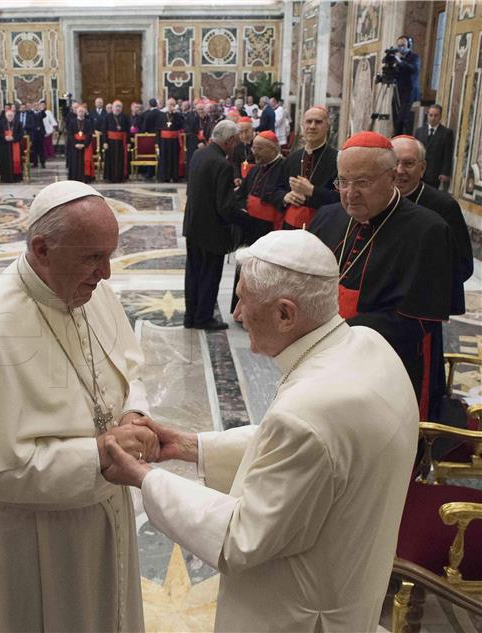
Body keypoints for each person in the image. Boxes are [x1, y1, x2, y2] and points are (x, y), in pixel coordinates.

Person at [100, 229, 419, 633]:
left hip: (296, 615)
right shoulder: (368, 345)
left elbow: (240, 540)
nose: (235, 313)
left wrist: (143, 478)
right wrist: (189, 446)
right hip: (352, 586)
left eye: (243, 298)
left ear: (286, 313)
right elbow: (307, 455)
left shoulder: (310, 413)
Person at [0, 180, 157, 633]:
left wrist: (134, 415)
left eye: (110, 254)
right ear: (42, 248)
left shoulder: (90, 289)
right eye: (93, 257)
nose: (106, 273)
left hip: (105, 513)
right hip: (34, 539)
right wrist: (104, 454)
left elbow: (130, 369)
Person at [309, 131, 454, 419]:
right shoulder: (328, 216)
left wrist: (338, 331)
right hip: (325, 358)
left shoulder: (428, 230)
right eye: (343, 182)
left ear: (390, 177)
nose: (350, 193)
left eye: (363, 182)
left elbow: (419, 318)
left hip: (389, 366)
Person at [392, 134, 473, 418]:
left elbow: (463, 265)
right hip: (378, 314)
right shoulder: (376, 201)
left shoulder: (443, 207)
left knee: (419, 391)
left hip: (419, 318)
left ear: (423, 169)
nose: (401, 170)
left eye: (409, 163)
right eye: (396, 163)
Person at [183, 120, 241, 331]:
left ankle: (191, 316)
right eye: (235, 142)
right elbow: (225, 207)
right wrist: (244, 217)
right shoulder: (223, 164)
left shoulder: (199, 154)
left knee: (193, 272)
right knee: (209, 274)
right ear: (230, 140)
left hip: (193, 225)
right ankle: (203, 318)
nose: (236, 147)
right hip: (212, 230)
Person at [230, 130, 286, 311]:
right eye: (254, 147)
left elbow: (282, 197)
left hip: (269, 230)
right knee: (245, 270)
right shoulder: (256, 170)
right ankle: (241, 309)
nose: (254, 152)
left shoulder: (284, 168)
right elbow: (241, 194)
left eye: (258, 148)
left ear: (272, 149)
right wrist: (240, 208)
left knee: (262, 273)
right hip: (249, 227)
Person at [276, 105, 339, 228]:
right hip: (290, 227)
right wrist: (285, 196)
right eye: (309, 122)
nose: (312, 126)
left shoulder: (338, 160)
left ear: (327, 127)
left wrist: (312, 191)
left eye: (318, 122)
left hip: (322, 226)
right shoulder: (291, 158)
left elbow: (341, 197)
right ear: (302, 126)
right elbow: (277, 187)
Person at [414, 104, 454, 190]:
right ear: (427, 115)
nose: (433, 118)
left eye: (436, 115)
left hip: (435, 173)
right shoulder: (419, 131)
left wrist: (445, 173)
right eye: (430, 115)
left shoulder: (446, 133)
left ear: (440, 117)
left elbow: (447, 154)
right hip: (419, 172)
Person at [393, 35, 421, 136]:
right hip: (397, 91)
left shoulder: (415, 57)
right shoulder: (397, 58)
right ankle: (396, 138)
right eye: (399, 46)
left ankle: (397, 141)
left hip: (409, 92)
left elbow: (414, 69)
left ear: (409, 45)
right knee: (395, 119)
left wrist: (400, 62)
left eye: (403, 45)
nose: (401, 48)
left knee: (401, 120)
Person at [102, 100, 130, 183]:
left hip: (121, 142)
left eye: (119, 106)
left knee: (121, 160)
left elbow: (127, 131)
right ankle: (110, 177)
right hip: (110, 142)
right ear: (112, 107)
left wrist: (128, 142)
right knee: (110, 159)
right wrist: (104, 142)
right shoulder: (107, 117)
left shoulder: (125, 117)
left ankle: (121, 177)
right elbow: (104, 130)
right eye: (116, 106)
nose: (118, 108)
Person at [157, 98, 184, 182]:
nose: (171, 106)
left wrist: (176, 114)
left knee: (174, 158)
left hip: (174, 140)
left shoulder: (178, 116)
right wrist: (157, 142)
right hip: (163, 141)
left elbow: (181, 125)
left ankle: (174, 176)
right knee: (164, 158)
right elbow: (158, 129)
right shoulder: (161, 115)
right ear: (167, 105)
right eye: (170, 104)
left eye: (173, 105)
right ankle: (164, 177)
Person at [67, 102, 95, 182]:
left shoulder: (88, 122)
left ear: (85, 112)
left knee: (84, 162)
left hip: (84, 146)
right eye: (79, 111)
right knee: (75, 163)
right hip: (75, 146)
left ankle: (85, 178)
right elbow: (70, 135)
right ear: (76, 112)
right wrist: (75, 144)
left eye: (82, 111)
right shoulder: (72, 122)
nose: (81, 113)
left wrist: (84, 144)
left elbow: (89, 134)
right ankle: (75, 178)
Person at [0, 107, 24, 183]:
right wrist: (5, 137)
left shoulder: (18, 123)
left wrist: (13, 138)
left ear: (14, 116)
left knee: (16, 160)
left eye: (11, 116)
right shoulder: (1, 123)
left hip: (15, 144)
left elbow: (21, 134)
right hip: (4, 145)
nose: (10, 117)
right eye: (8, 116)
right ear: (5, 116)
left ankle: (16, 178)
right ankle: (5, 178)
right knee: (4, 161)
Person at [184, 101, 209, 173]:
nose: (201, 111)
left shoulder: (208, 118)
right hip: (194, 143)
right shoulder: (191, 117)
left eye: (202, 109)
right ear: (196, 110)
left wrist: (204, 142)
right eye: (199, 109)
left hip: (206, 142)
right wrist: (198, 142)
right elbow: (189, 131)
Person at [232, 116, 256, 184]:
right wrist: (237, 176)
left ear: (252, 130)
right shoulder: (237, 146)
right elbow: (235, 163)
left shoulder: (258, 143)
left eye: (246, 131)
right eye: (241, 132)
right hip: (243, 179)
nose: (244, 135)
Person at [30, 101, 47, 168]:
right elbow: (29, 123)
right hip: (33, 134)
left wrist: (42, 109)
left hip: (40, 134)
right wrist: (34, 128)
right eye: (35, 105)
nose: (36, 106)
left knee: (41, 149)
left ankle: (43, 163)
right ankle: (35, 163)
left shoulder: (41, 113)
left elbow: (44, 115)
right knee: (34, 149)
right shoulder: (30, 113)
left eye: (37, 105)